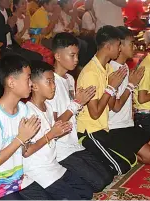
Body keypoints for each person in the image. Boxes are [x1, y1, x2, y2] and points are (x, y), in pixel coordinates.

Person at [77, 25, 150, 177]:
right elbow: (94, 113)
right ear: (108, 46)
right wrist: (110, 88)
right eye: (118, 45)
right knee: (122, 168)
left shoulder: (106, 69)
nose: (120, 49)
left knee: (131, 161)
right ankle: (89, 157)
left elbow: (112, 105)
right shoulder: (91, 73)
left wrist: (116, 88)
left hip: (103, 127)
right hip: (90, 130)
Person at [0, 54, 51, 200]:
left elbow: (24, 151)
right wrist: (20, 138)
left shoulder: (24, 110)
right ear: (11, 82)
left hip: (18, 179)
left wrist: (26, 139)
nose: (31, 83)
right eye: (27, 78)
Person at [47, 32, 113, 192]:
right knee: (97, 184)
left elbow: (74, 110)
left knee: (108, 176)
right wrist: (76, 103)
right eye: (72, 55)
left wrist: (80, 103)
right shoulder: (49, 84)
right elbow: (54, 124)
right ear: (57, 56)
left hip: (74, 144)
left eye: (77, 55)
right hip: (61, 150)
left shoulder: (69, 79)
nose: (76, 59)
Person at [23, 60, 93, 200]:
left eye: (54, 81)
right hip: (38, 170)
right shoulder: (28, 112)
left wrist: (58, 132)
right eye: (49, 82)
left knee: (87, 192)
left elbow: (52, 133)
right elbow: (26, 151)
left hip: (53, 165)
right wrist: (52, 134)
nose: (54, 86)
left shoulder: (48, 108)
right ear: (34, 86)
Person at [109, 26, 150, 164]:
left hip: (128, 123)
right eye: (131, 44)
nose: (135, 47)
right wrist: (131, 85)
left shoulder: (126, 66)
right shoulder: (111, 70)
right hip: (115, 126)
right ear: (119, 46)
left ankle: (126, 149)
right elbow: (115, 107)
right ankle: (116, 153)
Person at [13, 0, 54, 65]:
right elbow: (15, 38)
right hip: (21, 44)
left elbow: (29, 32)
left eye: (25, 3)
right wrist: (25, 27)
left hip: (30, 41)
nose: (25, 6)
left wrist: (37, 31)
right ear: (16, 5)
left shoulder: (24, 17)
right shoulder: (13, 18)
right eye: (22, 4)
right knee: (45, 55)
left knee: (49, 53)